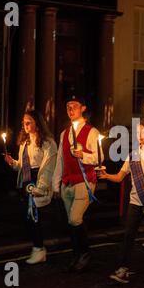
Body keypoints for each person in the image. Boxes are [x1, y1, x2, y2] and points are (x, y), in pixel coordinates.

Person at [98, 119, 144, 284]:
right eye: (137, 132)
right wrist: (107, 176)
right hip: (135, 202)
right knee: (128, 234)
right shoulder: (133, 154)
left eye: (142, 132)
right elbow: (120, 176)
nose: (139, 135)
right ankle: (124, 268)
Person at [52, 95, 104, 273]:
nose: (70, 109)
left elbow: (99, 157)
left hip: (85, 181)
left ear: (83, 108)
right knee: (73, 221)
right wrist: (55, 184)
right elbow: (60, 159)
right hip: (67, 182)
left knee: (75, 218)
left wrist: (84, 156)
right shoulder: (64, 133)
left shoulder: (92, 132)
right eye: (68, 106)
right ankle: (77, 253)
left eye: (74, 106)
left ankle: (85, 254)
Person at [5, 110, 57, 264]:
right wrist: (13, 162)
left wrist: (40, 188)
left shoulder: (48, 143)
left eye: (29, 122)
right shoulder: (25, 142)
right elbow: (22, 165)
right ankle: (38, 248)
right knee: (29, 218)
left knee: (35, 217)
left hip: (38, 180)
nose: (25, 125)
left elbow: (48, 167)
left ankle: (39, 249)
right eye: (24, 122)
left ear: (37, 123)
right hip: (27, 182)